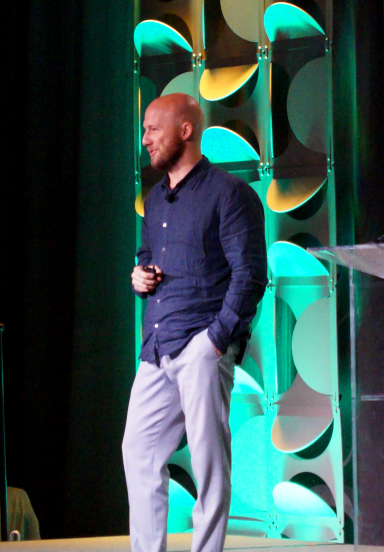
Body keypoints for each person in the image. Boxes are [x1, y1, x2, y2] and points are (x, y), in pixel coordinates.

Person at [122, 93, 267, 552]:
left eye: (153, 129)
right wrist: (139, 275)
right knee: (138, 451)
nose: (145, 139)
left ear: (186, 130)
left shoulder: (229, 193)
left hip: (201, 344)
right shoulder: (155, 200)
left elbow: (250, 276)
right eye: (145, 130)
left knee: (209, 465)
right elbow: (149, 256)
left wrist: (216, 340)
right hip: (157, 344)